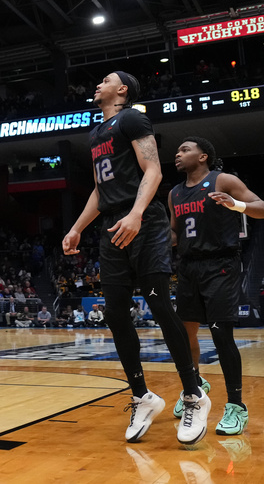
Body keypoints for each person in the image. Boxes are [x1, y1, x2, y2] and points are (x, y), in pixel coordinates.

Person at [62, 71, 209, 445]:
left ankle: (194, 393)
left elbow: (154, 170)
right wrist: (77, 227)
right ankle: (142, 396)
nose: (97, 83)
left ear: (122, 90)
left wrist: (137, 212)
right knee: (114, 314)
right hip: (113, 225)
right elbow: (100, 189)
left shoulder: (132, 118)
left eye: (106, 80)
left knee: (160, 306)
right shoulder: (96, 133)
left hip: (142, 220)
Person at [170, 136, 264, 436]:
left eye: (185, 149)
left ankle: (236, 406)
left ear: (203, 157)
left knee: (220, 334)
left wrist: (236, 204)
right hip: (187, 266)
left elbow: (263, 209)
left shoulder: (222, 180)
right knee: (183, 334)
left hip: (221, 264)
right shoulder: (174, 193)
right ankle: (195, 387)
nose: (178, 153)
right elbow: (175, 236)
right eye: (177, 150)